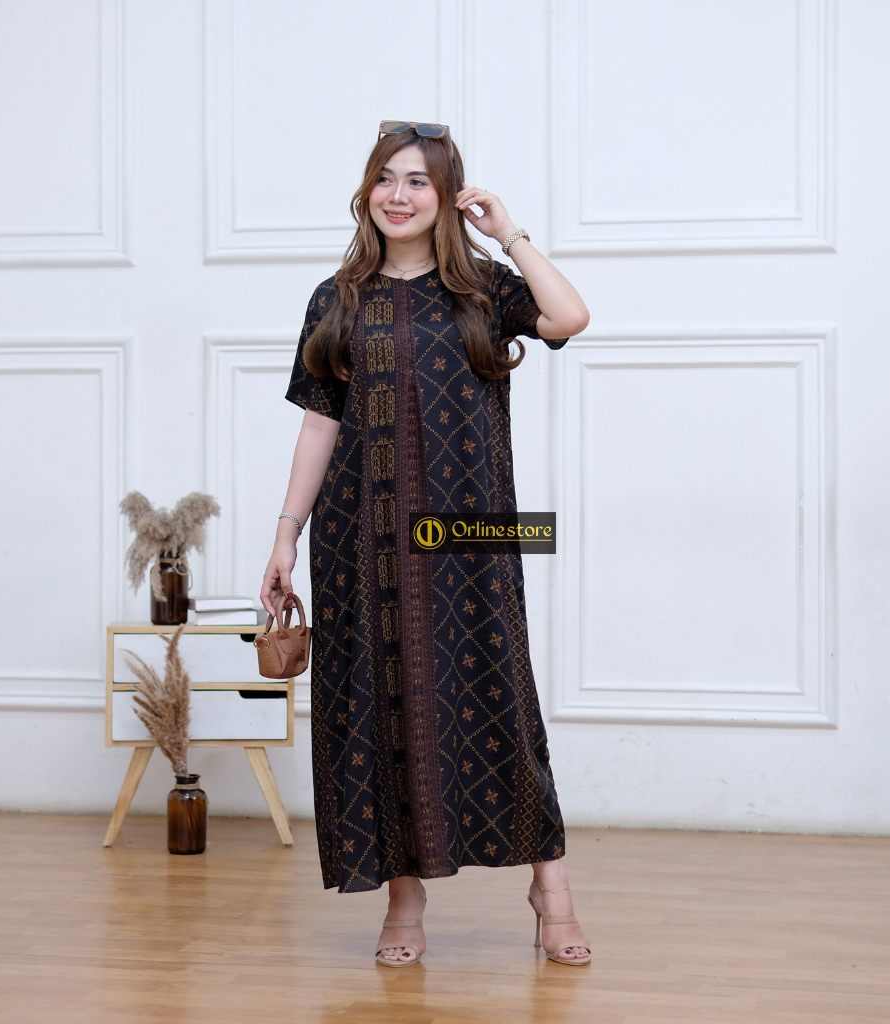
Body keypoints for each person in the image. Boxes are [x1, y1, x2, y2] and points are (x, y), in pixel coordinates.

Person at [261, 121, 591, 967]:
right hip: (360, 538)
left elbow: (570, 316)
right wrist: (286, 535)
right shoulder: (335, 298)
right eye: (385, 178)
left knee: (499, 694)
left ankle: (551, 889)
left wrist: (509, 232)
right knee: (385, 706)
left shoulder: (482, 286)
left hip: (472, 530)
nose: (398, 195)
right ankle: (403, 902)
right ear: (366, 191)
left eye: (417, 181)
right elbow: (319, 424)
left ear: (446, 196)